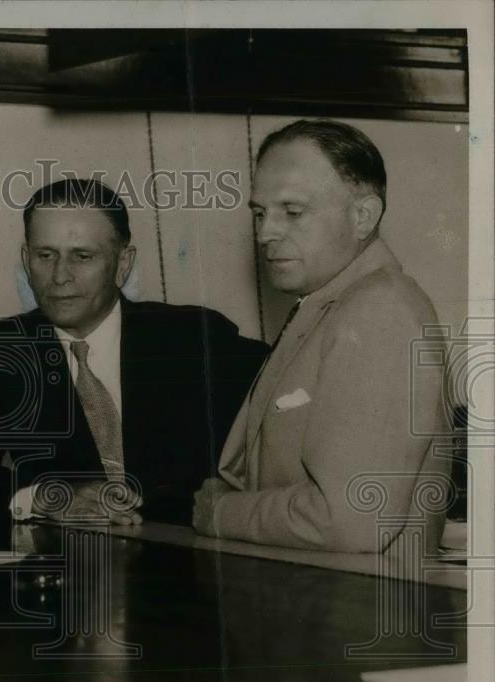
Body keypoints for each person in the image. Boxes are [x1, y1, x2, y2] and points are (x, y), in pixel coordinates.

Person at [0, 178, 268, 546]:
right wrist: (44, 497)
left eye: (82, 256)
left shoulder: (195, 338)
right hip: (69, 578)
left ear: (123, 264)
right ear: (27, 261)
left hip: (195, 567)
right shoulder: (3, 351)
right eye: (45, 255)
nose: (59, 276)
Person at [192, 119, 450, 553]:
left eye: (292, 212)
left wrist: (220, 513)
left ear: (363, 215)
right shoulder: (332, 305)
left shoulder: (379, 311)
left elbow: (350, 520)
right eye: (260, 213)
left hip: (355, 611)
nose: (265, 233)